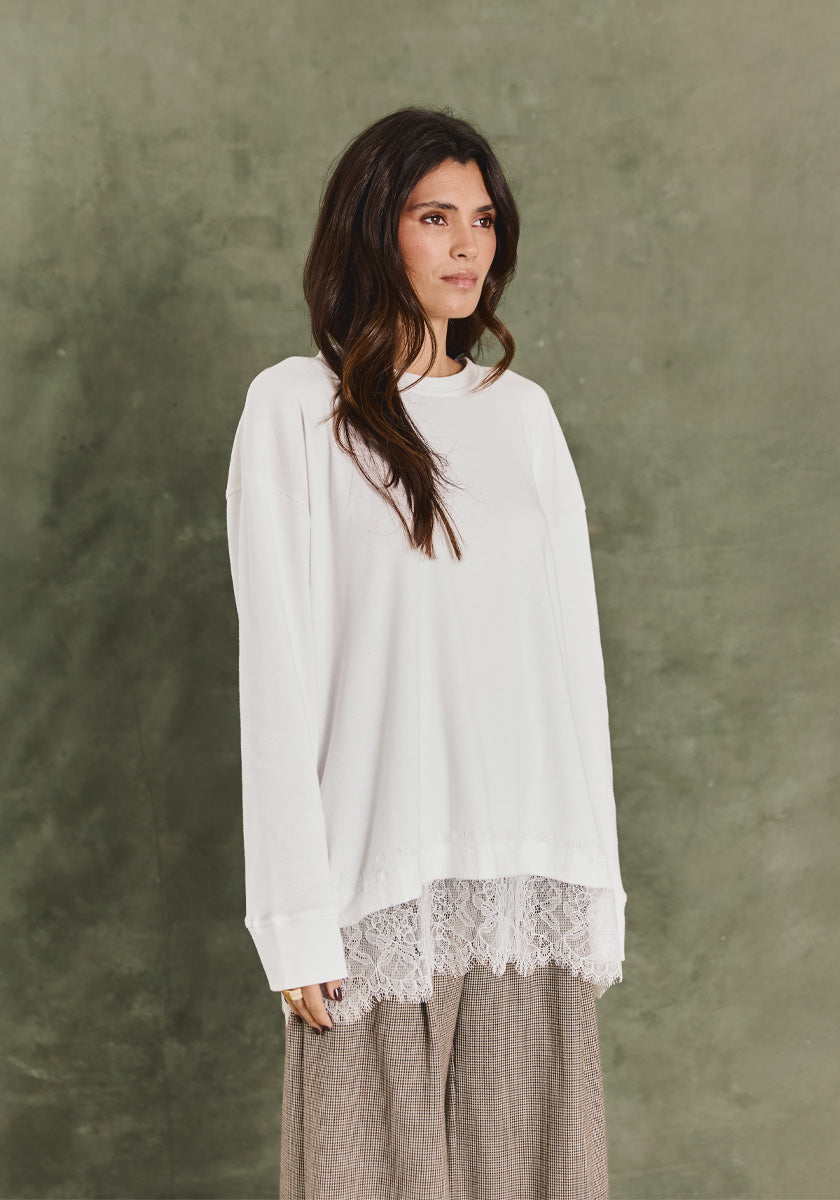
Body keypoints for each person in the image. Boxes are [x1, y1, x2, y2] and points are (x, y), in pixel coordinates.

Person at [225, 105, 627, 1200]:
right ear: (374, 229)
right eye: (434, 217)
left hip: (526, 885)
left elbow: (573, 666)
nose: (466, 246)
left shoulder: (522, 415)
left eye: (483, 220)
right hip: (375, 881)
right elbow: (277, 677)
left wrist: (595, 884)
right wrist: (294, 919)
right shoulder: (295, 410)